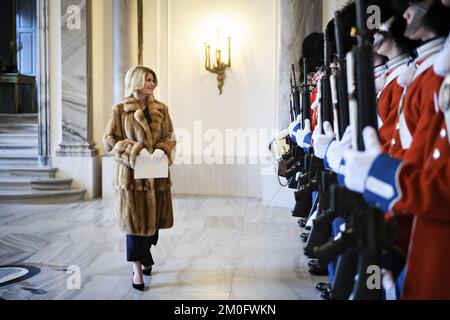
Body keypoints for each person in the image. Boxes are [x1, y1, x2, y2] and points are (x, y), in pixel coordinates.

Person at [341, 0, 450, 299]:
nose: (406, 14)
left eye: (414, 5)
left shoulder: (433, 77)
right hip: (408, 217)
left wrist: (379, 173)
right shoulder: (425, 73)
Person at [103, 65, 176, 291]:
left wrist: (163, 149)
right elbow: (109, 140)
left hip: (156, 177)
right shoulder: (120, 110)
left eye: (153, 79)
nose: (152, 83)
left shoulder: (161, 109)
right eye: (147, 79)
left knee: (151, 230)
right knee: (134, 227)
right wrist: (134, 151)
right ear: (136, 81)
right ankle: (137, 271)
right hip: (131, 181)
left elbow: (170, 135)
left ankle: (146, 256)